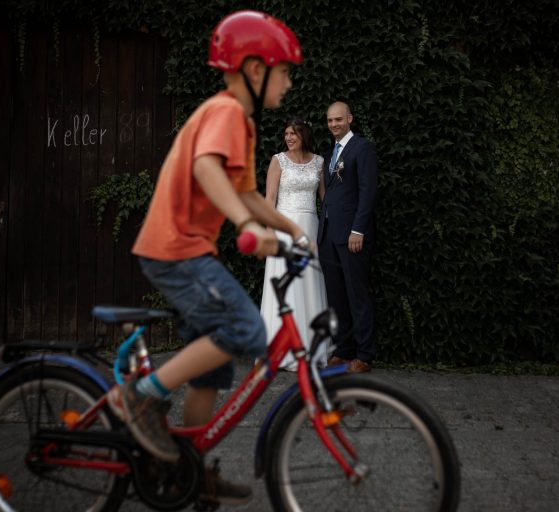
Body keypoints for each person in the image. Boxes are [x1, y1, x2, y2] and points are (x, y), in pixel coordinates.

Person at [106, 10, 309, 507]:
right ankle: (138, 397)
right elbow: (206, 169)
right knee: (245, 330)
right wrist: (245, 227)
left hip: (185, 250)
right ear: (255, 70)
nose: (288, 83)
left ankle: (185, 471)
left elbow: (248, 194)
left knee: (211, 369)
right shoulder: (226, 112)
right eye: (284, 72)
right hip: (176, 249)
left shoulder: (242, 124)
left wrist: (291, 230)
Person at [260, 118, 328, 371]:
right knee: (286, 285)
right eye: (286, 133)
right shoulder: (278, 160)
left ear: (304, 136)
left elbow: (325, 199)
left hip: (310, 228)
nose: (288, 138)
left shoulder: (319, 162)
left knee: (309, 283)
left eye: (294, 133)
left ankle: (311, 347)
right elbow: (270, 198)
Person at [317, 101, 378, 374]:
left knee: (357, 295)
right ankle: (343, 350)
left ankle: (364, 355)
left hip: (352, 235)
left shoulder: (362, 148)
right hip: (328, 235)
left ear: (350, 119)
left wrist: (358, 229)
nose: (334, 124)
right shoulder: (330, 152)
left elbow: (368, 192)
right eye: (330, 120)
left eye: (338, 119)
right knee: (337, 296)